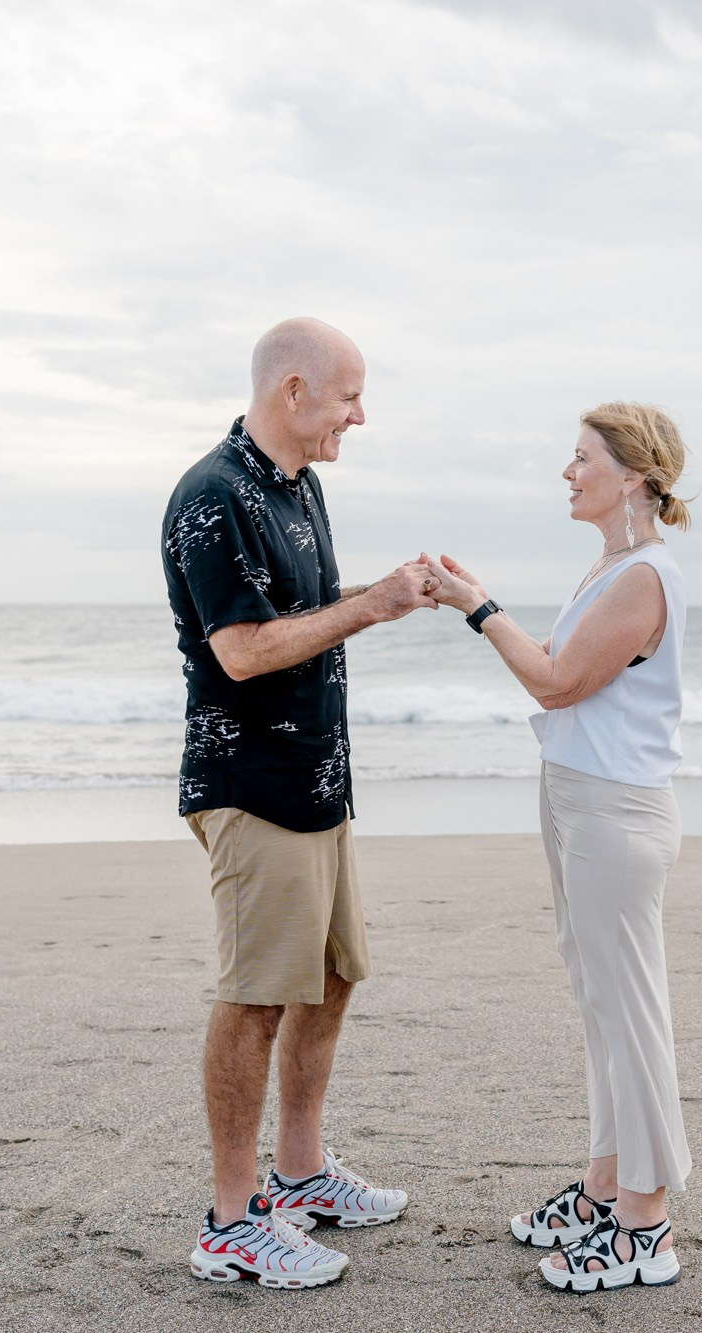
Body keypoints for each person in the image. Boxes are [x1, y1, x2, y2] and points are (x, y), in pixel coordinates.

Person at [161, 317, 440, 1290]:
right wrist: (370, 608)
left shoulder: (299, 488)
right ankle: (231, 1222)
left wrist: (391, 590)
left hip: (318, 781)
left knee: (329, 976)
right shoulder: (212, 496)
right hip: (252, 788)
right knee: (254, 997)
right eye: (347, 397)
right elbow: (240, 650)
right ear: (291, 391)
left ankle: (301, 1176)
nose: (356, 417)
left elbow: (302, 619)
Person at [422, 401, 695, 1293]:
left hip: (616, 811)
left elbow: (556, 681)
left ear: (634, 477)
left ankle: (646, 1223)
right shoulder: (609, 566)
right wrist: (492, 607)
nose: (567, 473)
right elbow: (558, 660)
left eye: (581, 459)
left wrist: (475, 603)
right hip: (577, 797)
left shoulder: (644, 577)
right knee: (599, 1000)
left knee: (630, 1006)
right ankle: (604, 1187)